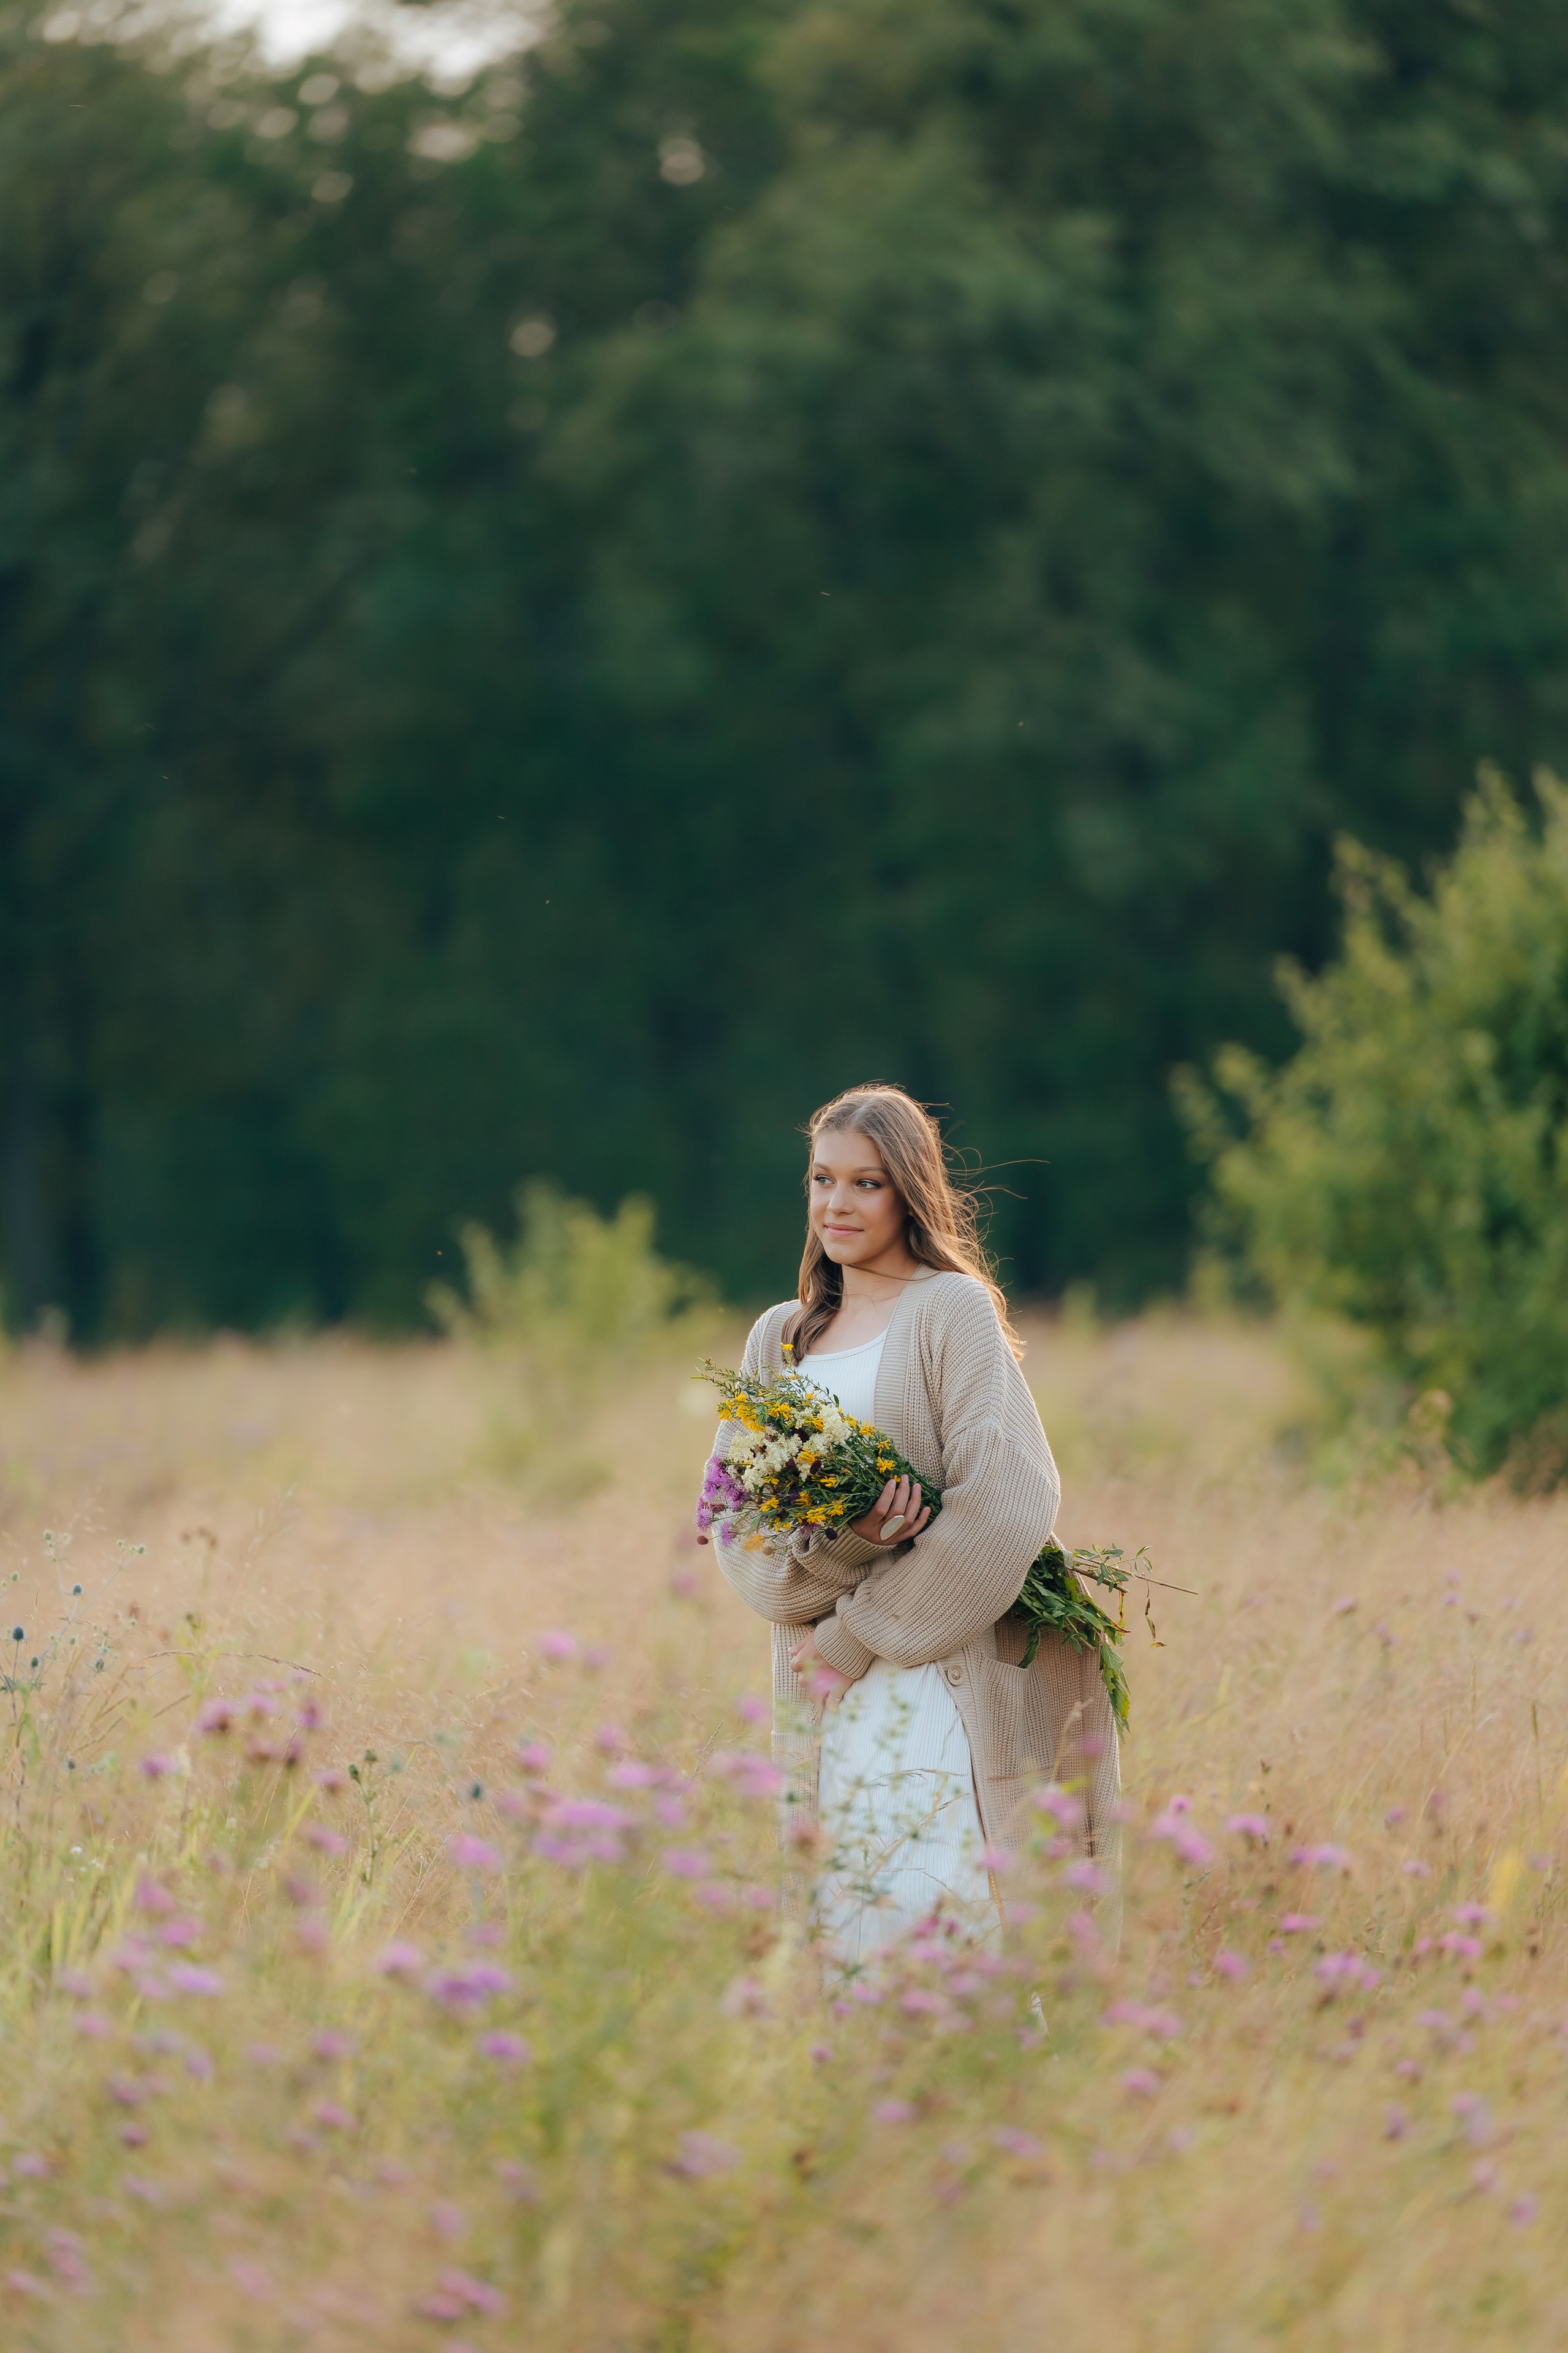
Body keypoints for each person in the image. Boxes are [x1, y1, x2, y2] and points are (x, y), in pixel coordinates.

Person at [703, 1083, 1120, 1968]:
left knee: (956, 1918)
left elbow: (1005, 1500)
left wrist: (859, 1634)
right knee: (849, 1924)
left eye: (867, 1183)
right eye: (823, 1179)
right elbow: (738, 1536)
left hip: (941, 1675)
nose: (836, 1204)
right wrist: (859, 1543)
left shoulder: (950, 1311)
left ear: (909, 1191)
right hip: (823, 1697)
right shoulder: (778, 1341)